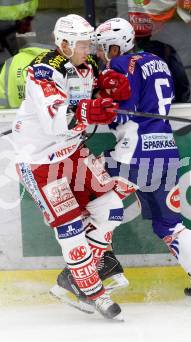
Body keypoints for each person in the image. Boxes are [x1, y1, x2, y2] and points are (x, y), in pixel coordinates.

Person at [95, 17, 191, 305]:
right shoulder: (157, 60)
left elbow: (120, 113)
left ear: (117, 46)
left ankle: (106, 266)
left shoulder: (118, 65)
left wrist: (96, 106)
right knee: (170, 224)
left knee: (89, 199)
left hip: (133, 152)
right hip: (164, 149)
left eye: (105, 48)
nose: (102, 54)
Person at [12, 14, 131, 320]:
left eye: (89, 43)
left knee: (112, 208)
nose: (87, 49)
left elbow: (90, 99)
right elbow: (56, 122)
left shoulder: (89, 65)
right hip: (41, 161)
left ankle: (71, 278)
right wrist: (91, 110)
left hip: (74, 153)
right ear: (63, 43)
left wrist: (106, 94)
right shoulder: (42, 71)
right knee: (71, 228)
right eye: (81, 44)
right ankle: (92, 292)